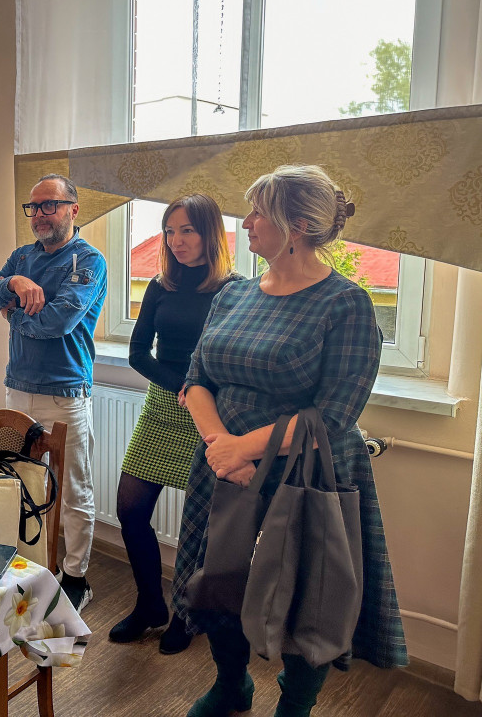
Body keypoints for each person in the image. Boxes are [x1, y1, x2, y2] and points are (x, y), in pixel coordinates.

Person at [172, 165, 406, 717]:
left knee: (309, 599)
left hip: (307, 474)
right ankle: (232, 686)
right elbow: (195, 380)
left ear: (297, 225)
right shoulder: (233, 294)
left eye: (258, 213)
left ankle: (296, 703)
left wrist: (243, 449)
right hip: (224, 466)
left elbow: (335, 415)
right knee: (219, 584)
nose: (246, 223)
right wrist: (223, 449)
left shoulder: (346, 304)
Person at [0, 173, 107, 612]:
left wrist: (12, 315)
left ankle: (76, 578)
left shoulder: (89, 261)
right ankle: (31, 566)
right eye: (34, 207)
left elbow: (58, 322)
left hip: (66, 393)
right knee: (20, 484)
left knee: (74, 492)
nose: (40, 215)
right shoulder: (22, 257)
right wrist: (13, 284)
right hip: (18, 390)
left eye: (50, 205)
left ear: (73, 209)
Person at [111, 194, 238, 649]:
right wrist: (181, 385)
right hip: (165, 405)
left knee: (198, 525)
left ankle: (186, 614)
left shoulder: (234, 289)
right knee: (130, 509)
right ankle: (150, 603)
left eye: (187, 230)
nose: (176, 240)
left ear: (210, 233)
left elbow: (237, 357)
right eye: (169, 231)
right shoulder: (160, 285)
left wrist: (201, 391)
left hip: (211, 414)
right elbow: (137, 353)